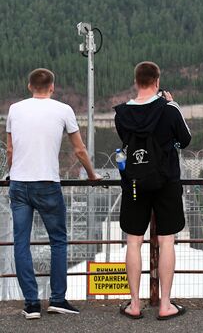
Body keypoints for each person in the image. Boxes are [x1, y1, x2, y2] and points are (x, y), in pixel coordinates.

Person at [7, 68, 101, 319]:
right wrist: (92, 175)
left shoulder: (14, 110)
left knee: (21, 243)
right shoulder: (63, 110)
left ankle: (31, 304)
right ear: (52, 87)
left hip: (18, 183)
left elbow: (10, 150)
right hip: (47, 183)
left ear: (29, 86)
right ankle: (58, 299)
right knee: (58, 240)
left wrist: (11, 171)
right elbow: (79, 150)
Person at [114, 61, 191, 320]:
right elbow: (185, 140)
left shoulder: (122, 113)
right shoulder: (168, 109)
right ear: (157, 81)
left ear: (136, 82)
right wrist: (173, 103)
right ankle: (165, 304)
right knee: (167, 240)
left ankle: (134, 304)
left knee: (133, 241)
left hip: (134, 182)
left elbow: (126, 138)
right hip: (166, 180)